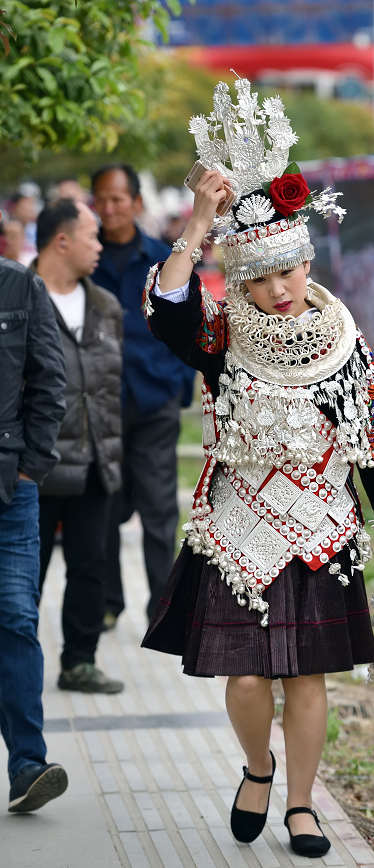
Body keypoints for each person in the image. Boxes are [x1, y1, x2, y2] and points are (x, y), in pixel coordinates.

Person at [141, 80, 374, 857]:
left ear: (306, 262)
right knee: (245, 680)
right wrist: (200, 224)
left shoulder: (344, 338)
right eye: (259, 280)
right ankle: (257, 766)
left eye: (287, 273)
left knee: (308, 680)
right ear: (239, 282)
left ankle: (302, 805)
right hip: (238, 520)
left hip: (324, 521)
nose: (276, 292)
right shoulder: (220, 336)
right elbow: (167, 303)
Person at [90, 164, 195, 625]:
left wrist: (177, 386)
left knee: (157, 509)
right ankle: (109, 604)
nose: (109, 209)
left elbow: (188, 322)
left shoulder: (162, 258)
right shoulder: (84, 256)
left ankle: (162, 609)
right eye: (102, 200)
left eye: (118, 199)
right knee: (105, 507)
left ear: (136, 203)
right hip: (100, 406)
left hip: (154, 400)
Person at [35, 198, 124, 694]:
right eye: (92, 236)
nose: (100, 245)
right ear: (62, 240)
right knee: (25, 575)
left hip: (94, 462)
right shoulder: (17, 298)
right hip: (35, 467)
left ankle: (80, 661)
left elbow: (111, 388)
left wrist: (114, 453)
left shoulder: (105, 305)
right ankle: (14, 667)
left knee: (91, 566)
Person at [0, 212, 68, 812]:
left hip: (9, 493)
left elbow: (51, 382)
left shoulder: (20, 288)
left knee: (16, 619)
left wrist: (28, 468)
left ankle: (27, 765)